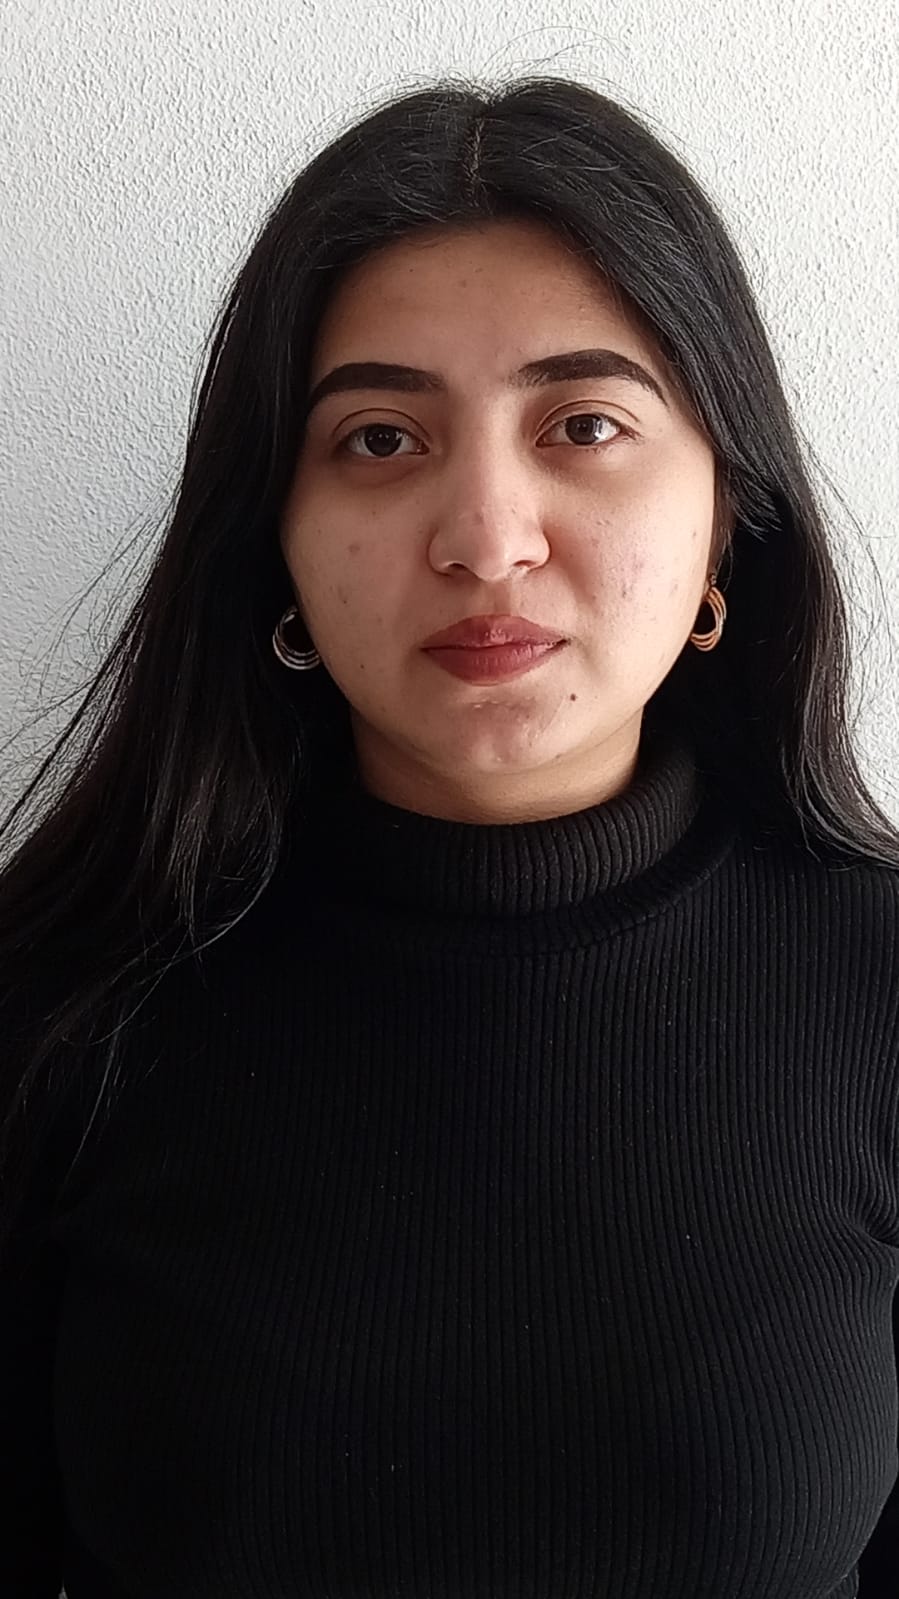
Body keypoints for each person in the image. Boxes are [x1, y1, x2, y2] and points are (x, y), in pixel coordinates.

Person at [1, 73, 897, 1599]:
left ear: (723, 522)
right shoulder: (64, 1007)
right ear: (274, 538)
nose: (487, 539)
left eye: (585, 424)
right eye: (380, 439)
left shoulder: (877, 991)